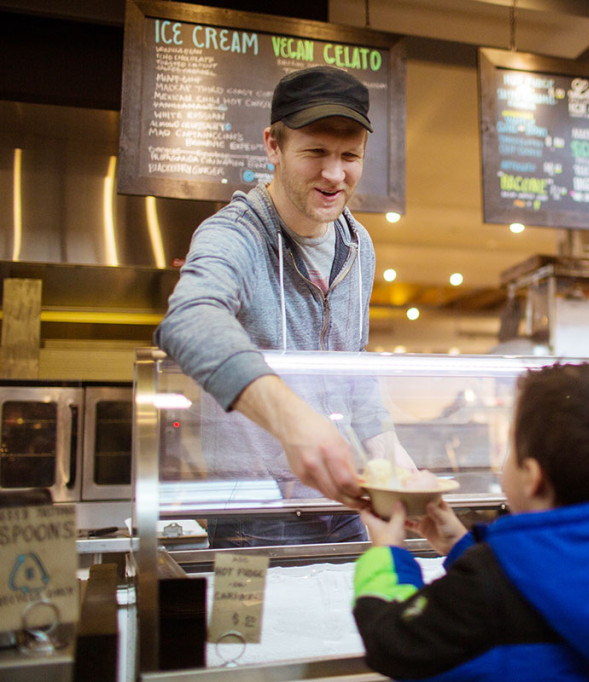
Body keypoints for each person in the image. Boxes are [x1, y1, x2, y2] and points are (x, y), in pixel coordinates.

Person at [156, 65, 409, 546]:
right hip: (254, 511)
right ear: (273, 145)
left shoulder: (360, 245)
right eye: (315, 152)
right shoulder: (233, 234)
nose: (335, 174)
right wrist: (294, 422)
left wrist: (391, 457)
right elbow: (189, 321)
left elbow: (353, 369)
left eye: (349, 155)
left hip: (343, 500)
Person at [352, 363, 589, 681]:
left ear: (532, 477)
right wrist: (460, 546)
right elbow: (548, 584)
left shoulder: (486, 585)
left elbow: (395, 645)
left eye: (510, 445)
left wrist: (388, 555)